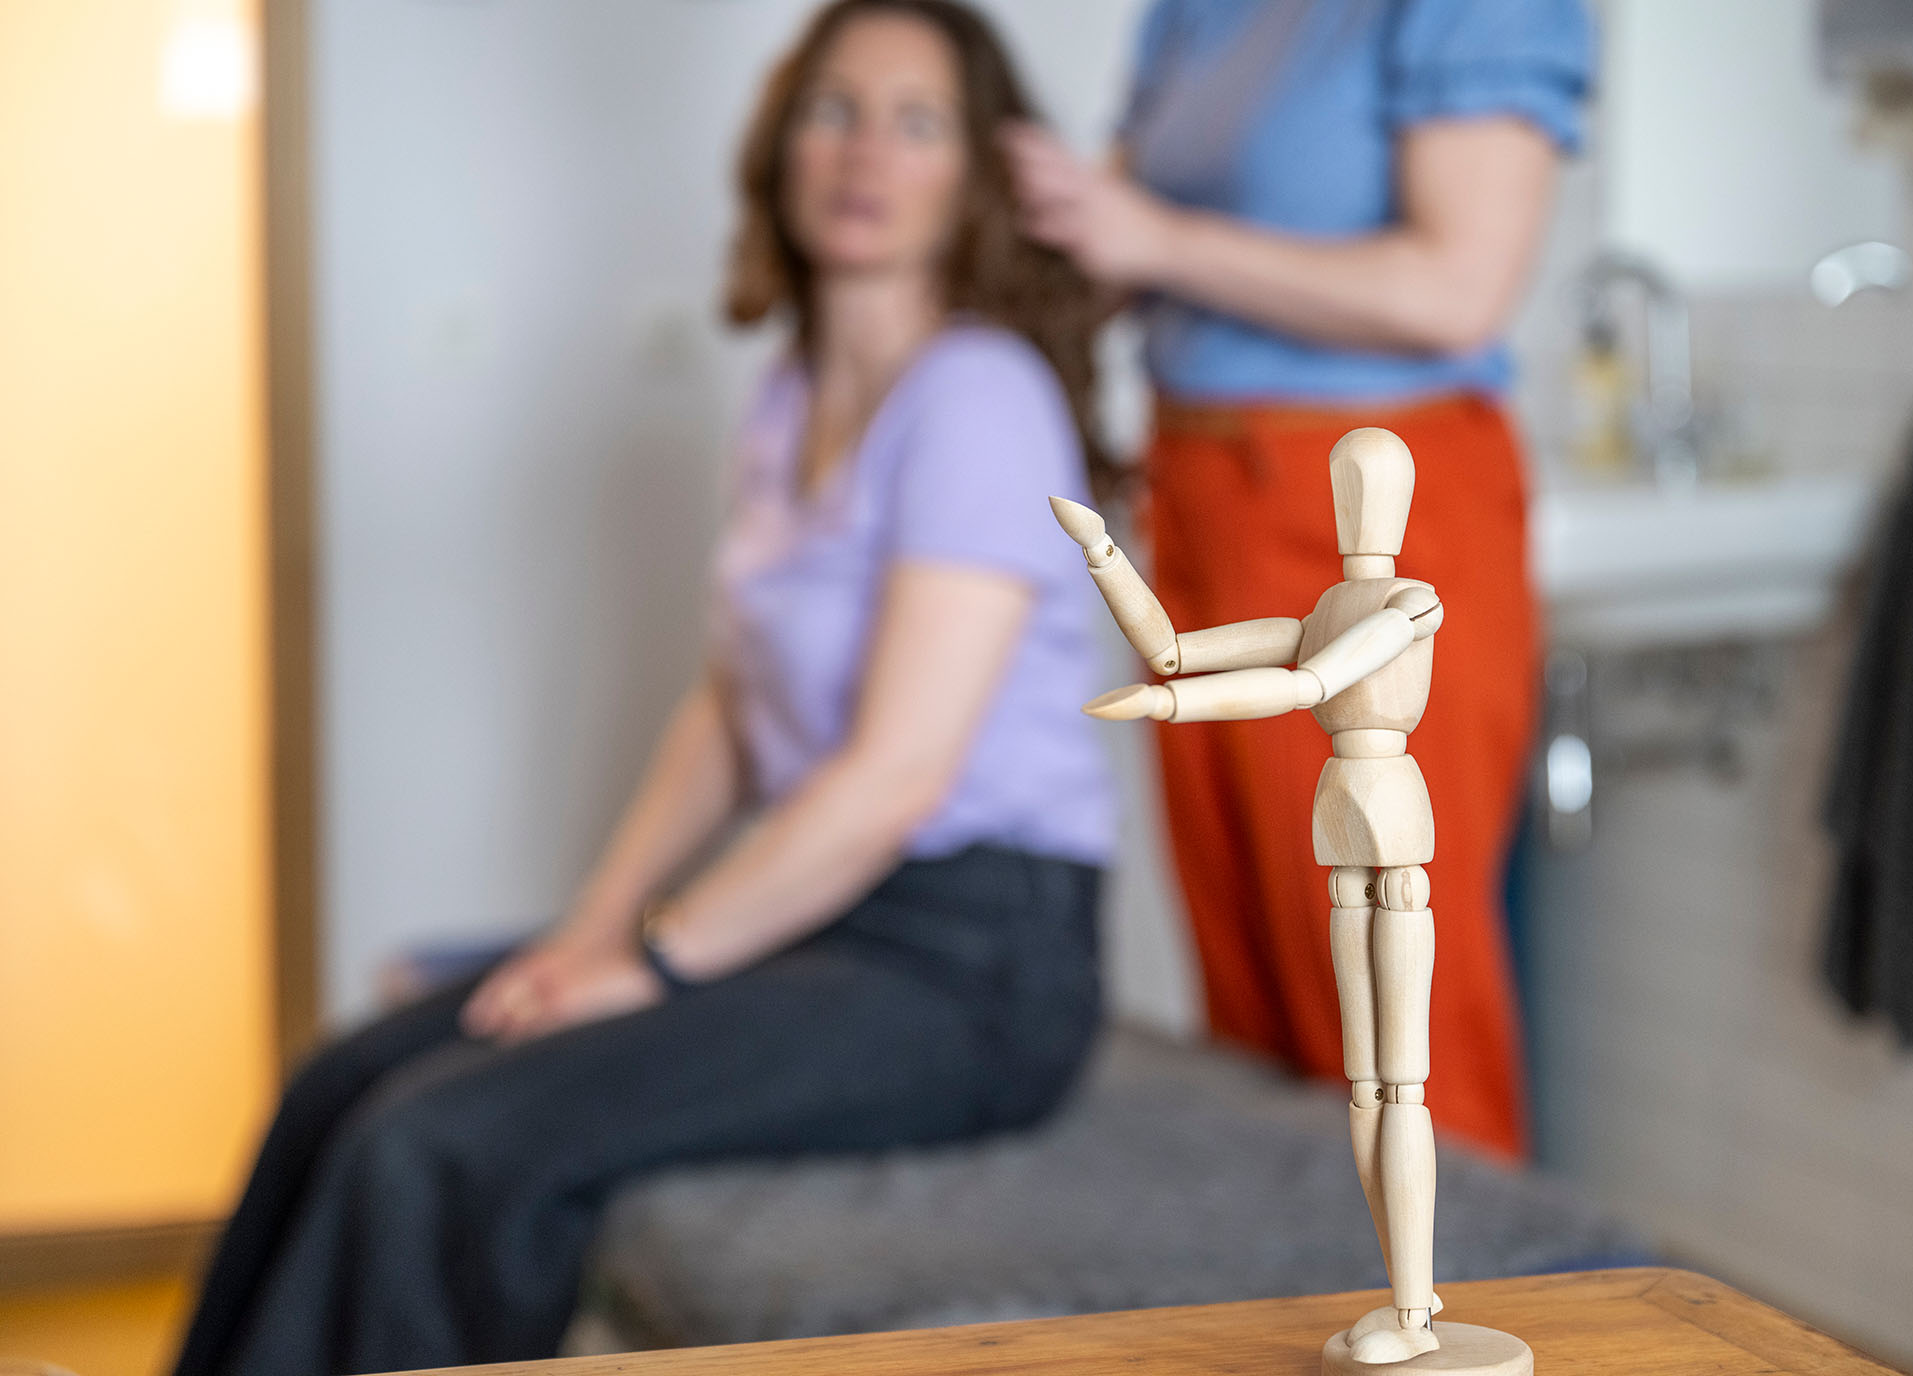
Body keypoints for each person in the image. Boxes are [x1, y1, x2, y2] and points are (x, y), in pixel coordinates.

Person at [172, 3, 1113, 1369]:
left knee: (434, 1144)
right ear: (782, 143)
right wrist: (592, 931)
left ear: (974, 175)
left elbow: (891, 779)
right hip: (830, 922)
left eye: (918, 124)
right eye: (832, 109)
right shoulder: (789, 396)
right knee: (344, 1078)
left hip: (977, 965)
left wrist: (658, 961)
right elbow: (727, 711)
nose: (864, 153)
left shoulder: (979, 395)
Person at [1005, 0, 1592, 1162]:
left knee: (1386, 991)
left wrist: (1156, 242)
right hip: (1196, 494)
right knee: (1253, 992)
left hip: (1371, 508)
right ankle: (1303, 1314)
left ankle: (1462, 1308)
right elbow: (1112, 240)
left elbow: (1457, 288)